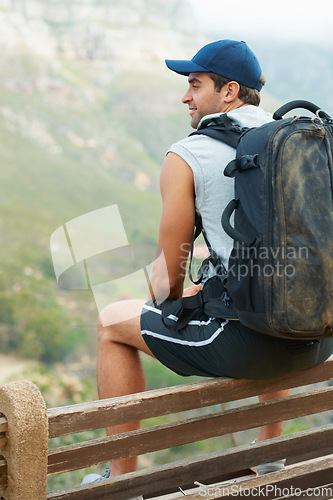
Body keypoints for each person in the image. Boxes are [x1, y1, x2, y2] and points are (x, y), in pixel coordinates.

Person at [84, 39, 333, 483]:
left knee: (110, 323)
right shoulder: (299, 142)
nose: (185, 96)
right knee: (270, 294)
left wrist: (162, 309)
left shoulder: (188, 155)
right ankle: (269, 452)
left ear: (229, 91)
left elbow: (169, 268)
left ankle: (118, 478)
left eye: (194, 85)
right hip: (317, 338)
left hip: (251, 347)